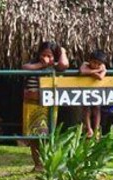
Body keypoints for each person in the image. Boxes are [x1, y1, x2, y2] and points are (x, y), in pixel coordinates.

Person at [22, 41, 69, 171]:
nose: (45, 57)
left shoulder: (55, 66)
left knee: (47, 134)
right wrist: (41, 65)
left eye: (49, 55)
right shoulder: (33, 64)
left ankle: (46, 163)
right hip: (32, 105)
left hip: (48, 105)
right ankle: (37, 164)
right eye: (43, 54)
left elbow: (64, 64)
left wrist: (63, 51)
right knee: (34, 136)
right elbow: (24, 68)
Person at [79, 50, 108, 137]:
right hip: (85, 90)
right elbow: (82, 71)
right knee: (86, 109)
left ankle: (96, 129)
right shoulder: (85, 64)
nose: (96, 65)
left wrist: (91, 73)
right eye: (94, 62)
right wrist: (97, 71)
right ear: (90, 60)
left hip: (96, 90)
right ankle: (88, 128)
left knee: (96, 108)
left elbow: (101, 77)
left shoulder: (102, 66)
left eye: (98, 64)